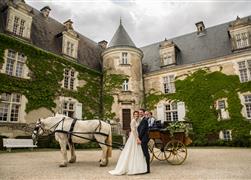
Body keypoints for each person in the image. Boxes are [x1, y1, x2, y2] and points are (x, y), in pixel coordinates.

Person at [109, 111, 147, 175]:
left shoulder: (138, 121)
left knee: (137, 150)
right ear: (133, 115)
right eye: (135, 114)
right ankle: (130, 167)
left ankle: (138, 167)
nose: (136, 115)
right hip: (134, 136)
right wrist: (137, 138)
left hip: (136, 134)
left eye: (137, 114)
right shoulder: (133, 121)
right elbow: (133, 130)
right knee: (132, 150)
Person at [138, 108, 150, 173]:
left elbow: (142, 130)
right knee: (143, 153)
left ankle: (148, 169)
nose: (140, 113)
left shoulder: (144, 120)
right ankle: (144, 167)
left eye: (141, 112)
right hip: (142, 138)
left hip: (144, 139)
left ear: (144, 113)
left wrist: (138, 138)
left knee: (146, 153)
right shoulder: (141, 120)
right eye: (139, 112)